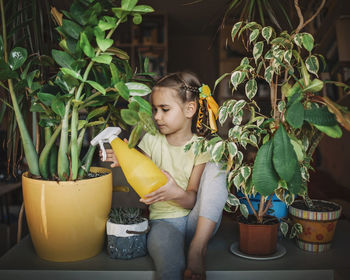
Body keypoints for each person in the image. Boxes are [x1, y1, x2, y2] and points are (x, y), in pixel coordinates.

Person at [100, 71, 228, 280]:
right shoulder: (151, 140)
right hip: (164, 224)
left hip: (199, 221)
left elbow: (191, 200)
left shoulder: (202, 147)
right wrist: (123, 157)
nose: (157, 116)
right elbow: (139, 170)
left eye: (164, 109)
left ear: (190, 109)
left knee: (218, 165)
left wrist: (174, 192)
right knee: (169, 267)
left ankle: (197, 248)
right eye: (155, 110)